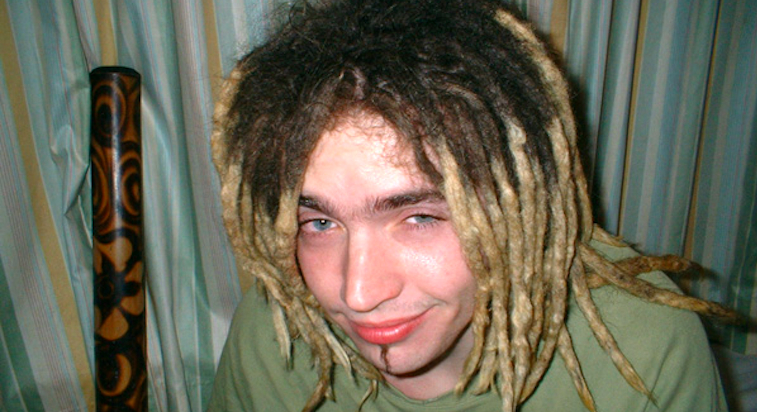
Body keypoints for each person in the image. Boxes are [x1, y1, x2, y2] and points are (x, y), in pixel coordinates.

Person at [207, 0, 734, 410]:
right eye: (320, 222)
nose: (358, 293)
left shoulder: (643, 348)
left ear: (518, 204)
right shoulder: (272, 337)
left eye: (420, 218)